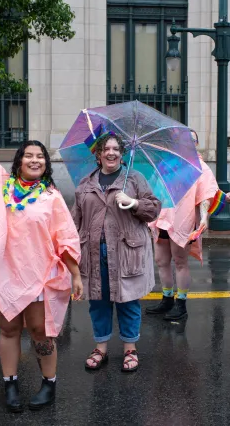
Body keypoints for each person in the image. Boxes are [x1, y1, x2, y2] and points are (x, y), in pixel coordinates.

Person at [0, 96, 83, 413]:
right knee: (10, 329)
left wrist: (77, 275)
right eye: (29, 156)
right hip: (7, 274)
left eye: (40, 156)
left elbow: (65, 238)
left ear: (46, 164)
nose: (35, 160)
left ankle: (48, 384)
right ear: (19, 161)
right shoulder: (2, 184)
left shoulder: (51, 198)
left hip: (40, 276)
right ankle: (10, 383)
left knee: (41, 332)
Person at [72, 131, 161, 372]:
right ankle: (101, 347)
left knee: (128, 300)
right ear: (98, 155)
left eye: (116, 150)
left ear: (122, 155)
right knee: (98, 301)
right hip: (92, 252)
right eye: (106, 149)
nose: (111, 153)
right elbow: (75, 221)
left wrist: (134, 203)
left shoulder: (134, 179)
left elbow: (153, 209)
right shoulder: (85, 184)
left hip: (126, 252)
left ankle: (130, 349)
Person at [146, 129, 218, 320]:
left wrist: (203, 218)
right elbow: (153, 189)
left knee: (180, 262)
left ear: (196, 144)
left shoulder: (201, 167)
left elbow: (206, 195)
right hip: (163, 219)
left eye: (191, 141)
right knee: (161, 261)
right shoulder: (167, 165)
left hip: (183, 221)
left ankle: (181, 304)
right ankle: (167, 299)